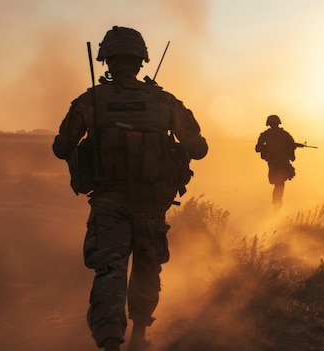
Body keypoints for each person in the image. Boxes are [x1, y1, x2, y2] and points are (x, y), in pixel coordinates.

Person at [52, 26, 208, 351]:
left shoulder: (90, 100)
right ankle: (139, 334)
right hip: (152, 204)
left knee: (110, 270)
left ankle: (110, 341)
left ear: (107, 60)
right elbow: (199, 148)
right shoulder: (165, 102)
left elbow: (61, 147)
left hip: (109, 203)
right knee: (148, 267)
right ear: (141, 61)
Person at [255, 114, 297, 211]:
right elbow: (291, 147)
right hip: (280, 163)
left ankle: (276, 205)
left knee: (278, 184)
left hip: (275, 163)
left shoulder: (265, 134)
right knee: (279, 184)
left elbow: (258, 148)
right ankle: (277, 205)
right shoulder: (285, 134)